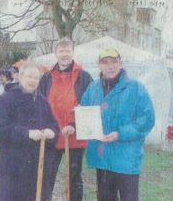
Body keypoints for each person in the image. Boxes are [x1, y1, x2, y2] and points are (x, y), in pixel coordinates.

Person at [80, 48, 155, 201]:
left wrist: (120, 134)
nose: (110, 66)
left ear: (121, 64)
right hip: (103, 158)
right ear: (99, 65)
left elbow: (147, 119)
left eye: (114, 62)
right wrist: (76, 124)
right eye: (105, 62)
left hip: (126, 159)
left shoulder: (136, 88)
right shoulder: (92, 88)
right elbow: (84, 112)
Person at [0, 62, 59, 201]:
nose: (33, 81)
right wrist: (27, 134)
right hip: (14, 166)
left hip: (38, 166)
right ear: (20, 77)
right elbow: (1, 129)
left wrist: (51, 132)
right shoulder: (6, 99)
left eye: (36, 78)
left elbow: (53, 124)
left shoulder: (43, 101)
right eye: (29, 76)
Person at [38, 37, 92, 201]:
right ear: (56, 53)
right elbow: (39, 103)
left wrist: (75, 124)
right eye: (61, 51)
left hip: (73, 136)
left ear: (72, 52)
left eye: (67, 51)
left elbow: (90, 105)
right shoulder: (46, 77)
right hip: (51, 136)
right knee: (47, 175)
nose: (64, 55)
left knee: (74, 178)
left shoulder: (84, 77)